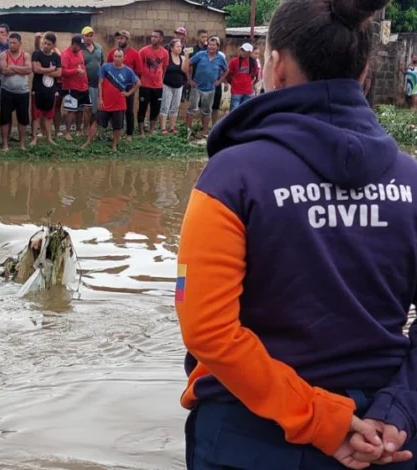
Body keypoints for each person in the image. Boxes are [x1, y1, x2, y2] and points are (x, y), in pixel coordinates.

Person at [177, 0, 417, 468]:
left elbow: (207, 329)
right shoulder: (412, 180)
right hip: (390, 439)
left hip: (250, 437)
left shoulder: (231, 176)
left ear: (276, 65)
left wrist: (321, 419)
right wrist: (401, 403)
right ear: (364, 72)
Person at [82, 49, 139, 152]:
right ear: (113, 57)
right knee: (96, 122)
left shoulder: (128, 70)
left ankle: (114, 146)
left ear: (124, 58)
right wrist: (100, 99)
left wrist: (128, 93)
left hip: (119, 104)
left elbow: (138, 83)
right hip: (105, 103)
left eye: (120, 56)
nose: (117, 58)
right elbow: (100, 83)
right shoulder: (106, 67)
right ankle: (87, 142)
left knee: (117, 127)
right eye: (116, 56)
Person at [185, 36, 226, 136]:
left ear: (217, 47)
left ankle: (204, 131)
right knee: (191, 109)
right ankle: (187, 130)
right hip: (196, 87)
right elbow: (188, 64)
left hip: (210, 89)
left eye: (213, 45)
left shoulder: (220, 57)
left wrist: (219, 81)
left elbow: (226, 70)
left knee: (207, 111)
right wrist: (189, 79)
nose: (211, 47)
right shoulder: (200, 54)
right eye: (210, 45)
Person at [106, 31, 142, 140]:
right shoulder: (112, 53)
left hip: (128, 87)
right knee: (116, 111)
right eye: (118, 38)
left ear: (127, 39)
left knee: (129, 110)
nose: (119, 40)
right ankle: (117, 134)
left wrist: (129, 82)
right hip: (115, 88)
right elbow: (108, 69)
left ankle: (129, 134)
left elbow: (139, 71)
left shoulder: (135, 54)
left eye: (122, 38)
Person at [0, 32, 31, 151]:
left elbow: (28, 70)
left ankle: (22, 144)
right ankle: (5, 144)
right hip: (7, 91)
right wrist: (19, 69)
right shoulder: (4, 54)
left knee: (22, 119)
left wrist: (12, 67)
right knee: (5, 118)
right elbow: (4, 71)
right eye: (9, 42)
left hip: (23, 92)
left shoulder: (25, 55)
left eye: (14, 43)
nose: (11, 45)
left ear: (20, 43)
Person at [30, 32, 62, 146]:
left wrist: (44, 69)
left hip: (51, 91)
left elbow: (59, 73)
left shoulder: (56, 56)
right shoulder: (36, 54)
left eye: (48, 44)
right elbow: (36, 69)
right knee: (36, 116)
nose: (45, 46)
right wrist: (50, 69)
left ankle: (49, 138)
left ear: (53, 45)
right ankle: (34, 138)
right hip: (37, 90)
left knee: (48, 116)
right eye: (44, 43)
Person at [138, 29, 169, 136]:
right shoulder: (143, 51)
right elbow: (138, 68)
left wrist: (160, 80)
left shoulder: (164, 52)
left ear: (161, 39)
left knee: (155, 109)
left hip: (158, 86)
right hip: (145, 85)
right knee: (142, 108)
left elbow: (164, 68)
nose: (153, 38)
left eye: (155, 37)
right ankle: (141, 131)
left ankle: (151, 130)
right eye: (152, 36)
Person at [60, 34, 90, 141]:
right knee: (71, 110)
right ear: (74, 44)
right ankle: (67, 132)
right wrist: (76, 71)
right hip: (71, 87)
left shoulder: (80, 52)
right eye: (80, 46)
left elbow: (82, 67)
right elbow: (63, 72)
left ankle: (81, 130)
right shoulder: (65, 54)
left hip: (83, 86)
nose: (81, 48)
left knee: (85, 108)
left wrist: (86, 82)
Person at [159, 39, 189, 135]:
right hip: (167, 85)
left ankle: (172, 127)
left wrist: (187, 57)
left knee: (175, 107)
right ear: (171, 48)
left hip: (178, 86)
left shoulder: (183, 58)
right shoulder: (167, 57)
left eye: (180, 46)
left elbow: (185, 70)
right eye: (177, 46)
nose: (179, 48)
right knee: (165, 106)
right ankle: (163, 127)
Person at [81, 26, 104, 126]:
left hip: (98, 83)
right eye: (87, 36)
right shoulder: (80, 49)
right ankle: (85, 128)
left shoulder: (99, 47)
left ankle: (93, 128)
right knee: (87, 108)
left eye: (91, 36)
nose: (89, 38)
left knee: (96, 108)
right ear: (83, 36)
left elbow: (102, 63)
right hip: (86, 83)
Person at [227, 42, 259, 111]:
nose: (242, 52)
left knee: (245, 112)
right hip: (236, 91)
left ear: (250, 53)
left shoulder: (253, 62)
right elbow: (228, 74)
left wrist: (252, 85)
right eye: (242, 50)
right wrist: (232, 83)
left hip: (248, 92)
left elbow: (256, 75)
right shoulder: (234, 61)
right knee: (234, 112)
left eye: (245, 51)